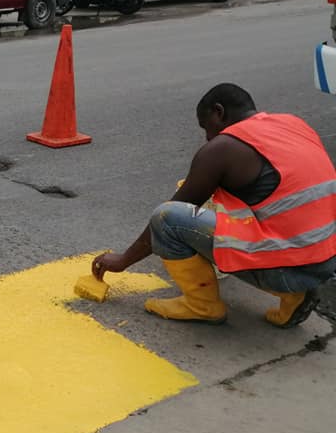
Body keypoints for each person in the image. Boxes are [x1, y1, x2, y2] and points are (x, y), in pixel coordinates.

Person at [93, 83, 336, 329]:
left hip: (286, 270)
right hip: (324, 262)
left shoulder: (222, 149)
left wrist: (123, 260)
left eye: (206, 126)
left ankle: (202, 305)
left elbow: (175, 209)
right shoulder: (292, 124)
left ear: (218, 112)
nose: (208, 137)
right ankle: (295, 296)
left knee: (166, 219)